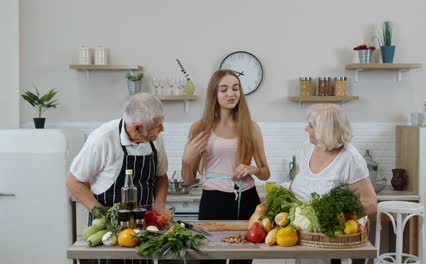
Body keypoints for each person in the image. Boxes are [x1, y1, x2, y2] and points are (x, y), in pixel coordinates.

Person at [67, 93, 168, 264]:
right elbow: (73, 181)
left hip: (142, 232)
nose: (162, 129)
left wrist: (158, 209)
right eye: (156, 126)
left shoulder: (155, 140)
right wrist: (103, 216)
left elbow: (161, 177)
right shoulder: (103, 138)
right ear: (137, 128)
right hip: (108, 233)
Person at [181, 69, 270, 264]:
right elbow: (188, 181)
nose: (231, 94)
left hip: (247, 200)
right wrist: (186, 160)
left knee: (243, 260)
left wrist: (252, 169)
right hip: (214, 201)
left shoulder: (251, 127)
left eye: (235, 88)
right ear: (214, 93)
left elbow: (265, 173)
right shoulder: (200, 128)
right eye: (224, 89)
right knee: (208, 259)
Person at [289, 104, 377, 264]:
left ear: (325, 131)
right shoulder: (307, 149)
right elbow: (294, 186)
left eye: (310, 126)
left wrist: (332, 218)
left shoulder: (351, 159)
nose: (305, 130)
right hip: (305, 242)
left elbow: (370, 204)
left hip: (336, 246)